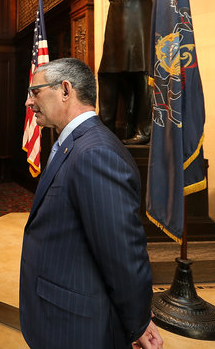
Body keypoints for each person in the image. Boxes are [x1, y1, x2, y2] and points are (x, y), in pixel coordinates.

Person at [19, 58, 163, 349]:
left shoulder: (95, 152)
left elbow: (121, 251)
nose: (28, 102)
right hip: (58, 312)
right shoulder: (72, 143)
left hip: (77, 326)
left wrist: (136, 322)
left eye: (35, 92)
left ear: (65, 90)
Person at [99, 0, 159, 145]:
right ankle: (105, 129)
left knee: (140, 71)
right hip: (117, 21)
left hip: (136, 20)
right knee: (109, 73)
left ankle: (144, 131)